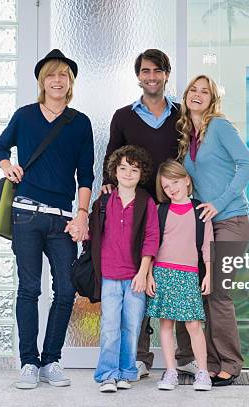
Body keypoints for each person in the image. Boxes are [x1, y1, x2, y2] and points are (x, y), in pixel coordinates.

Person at [0, 49, 94, 389]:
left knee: (66, 290)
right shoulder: (25, 116)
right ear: (42, 81)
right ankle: (28, 363)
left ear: (70, 82)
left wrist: (82, 216)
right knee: (29, 289)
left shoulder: (79, 122)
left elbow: (86, 175)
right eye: (51, 74)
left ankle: (51, 360)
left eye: (64, 74)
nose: (57, 80)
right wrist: (9, 168)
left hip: (64, 220)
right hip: (26, 216)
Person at [101, 49, 198, 379]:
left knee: (179, 273)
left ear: (166, 74)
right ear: (138, 75)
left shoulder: (181, 115)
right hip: (138, 208)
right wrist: (107, 185)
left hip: (175, 206)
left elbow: (193, 155)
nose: (151, 76)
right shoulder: (123, 116)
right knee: (138, 275)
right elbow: (112, 156)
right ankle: (138, 356)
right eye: (145, 71)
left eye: (158, 70)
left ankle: (186, 356)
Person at [177, 74, 249, 386]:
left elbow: (247, 164)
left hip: (233, 220)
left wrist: (219, 203)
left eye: (204, 91)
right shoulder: (189, 135)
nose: (197, 95)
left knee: (219, 293)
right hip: (206, 225)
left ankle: (230, 364)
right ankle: (209, 362)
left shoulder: (220, 127)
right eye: (193, 90)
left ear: (212, 99)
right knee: (204, 292)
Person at [89, 145, 160, 393]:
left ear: (142, 174)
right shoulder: (104, 200)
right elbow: (93, 234)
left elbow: (152, 237)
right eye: (123, 168)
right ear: (114, 171)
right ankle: (107, 374)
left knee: (132, 327)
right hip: (109, 274)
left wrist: (143, 272)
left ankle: (126, 372)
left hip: (135, 277)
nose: (128, 173)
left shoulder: (146, 201)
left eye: (134, 169)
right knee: (110, 326)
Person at [146, 159, 213, 392]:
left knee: (193, 325)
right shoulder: (159, 210)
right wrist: (149, 275)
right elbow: (152, 244)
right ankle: (171, 371)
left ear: (186, 181)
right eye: (166, 186)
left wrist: (208, 274)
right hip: (163, 273)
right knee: (166, 324)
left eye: (175, 182)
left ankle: (203, 372)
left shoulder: (200, 211)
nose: (172, 189)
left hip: (189, 275)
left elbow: (207, 245)